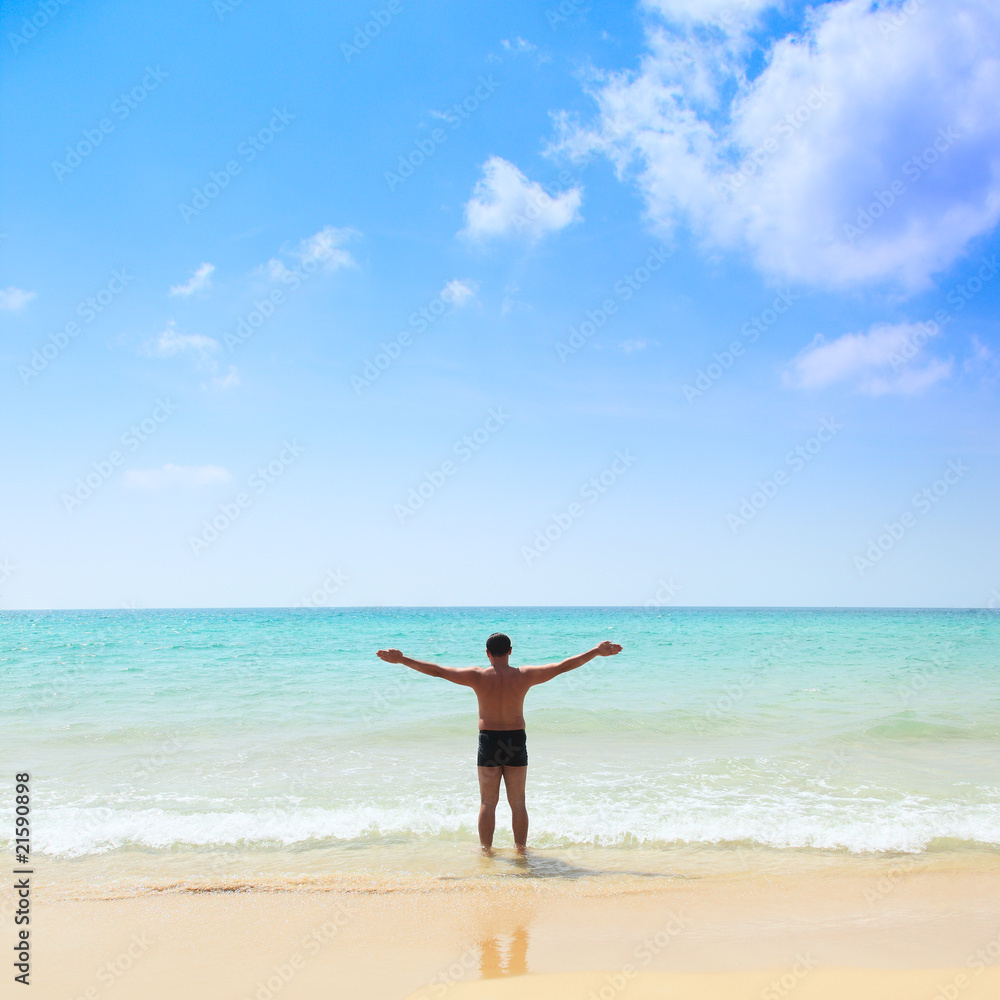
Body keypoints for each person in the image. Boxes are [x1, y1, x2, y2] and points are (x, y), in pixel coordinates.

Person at [375, 633, 623, 851]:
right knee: (518, 803)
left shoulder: (477, 676)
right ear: (510, 651)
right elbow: (562, 667)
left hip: (489, 740)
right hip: (515, 739)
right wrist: (595, 651)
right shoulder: (524, 675)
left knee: (487, 802)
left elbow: (438, 671)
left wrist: (403, 659)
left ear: (487, 653)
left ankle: (486, 852)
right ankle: (520, 851)